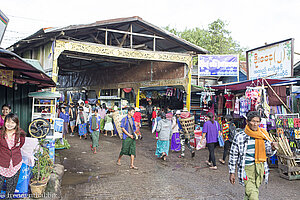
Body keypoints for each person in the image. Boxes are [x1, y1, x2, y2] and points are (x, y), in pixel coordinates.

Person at [229, 111, 278, 200]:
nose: (255, 124)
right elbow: (233, 155)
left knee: (251, 191)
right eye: (253, 121)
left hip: (260, 167)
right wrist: (232, 172)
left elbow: (268, 153)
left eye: (258, 121)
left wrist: (273, 148)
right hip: (247, 168)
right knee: (253, 195)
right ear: (247, 122)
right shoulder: (240, 136)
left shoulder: (263, 135)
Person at [0, 113, 26, 200]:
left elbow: (20, 145)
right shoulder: (0, 133)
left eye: (12, 122)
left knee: (10, 190)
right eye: (8, 122)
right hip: (1, 164)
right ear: (4, 122)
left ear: (16, 123)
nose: (10, 124)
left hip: (15, 164)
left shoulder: (20, 133)